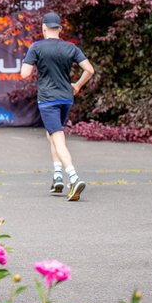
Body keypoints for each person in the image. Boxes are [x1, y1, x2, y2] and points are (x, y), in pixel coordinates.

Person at [20, 12, 95, 202]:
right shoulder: (70, 48)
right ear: (60, 29)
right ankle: (58, 175)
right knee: (52, 133)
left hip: (48, 100)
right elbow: (89, 70)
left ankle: (74, 177)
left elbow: (24, 74)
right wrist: (77, 85)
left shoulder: (37, 47)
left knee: (58, 137)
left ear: (44, 28)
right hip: (66, 99)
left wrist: (33, 63)